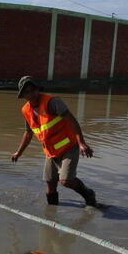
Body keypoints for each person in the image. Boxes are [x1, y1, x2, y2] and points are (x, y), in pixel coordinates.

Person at [10, 76, 98, 207]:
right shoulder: (26, 110)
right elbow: (28, 133)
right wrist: (19, 152)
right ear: (23, 95)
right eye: (27, 92)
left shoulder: (52, 102)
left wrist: (81, 143)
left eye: (33, 90)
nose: (32, 94)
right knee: (50, 185)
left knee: (66, 181)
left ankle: (88, 194)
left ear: (38, 89)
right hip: (51, 152)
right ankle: (51, 215)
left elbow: (72, 121)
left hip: (69, 147)